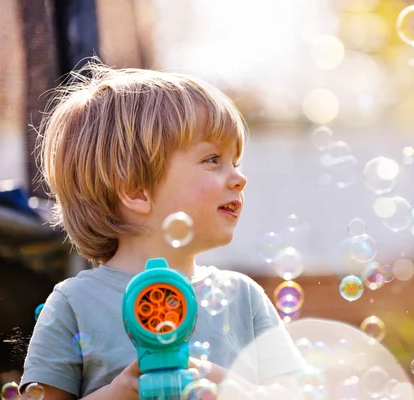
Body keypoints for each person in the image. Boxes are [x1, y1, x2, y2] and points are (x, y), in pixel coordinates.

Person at [19, 60, 306, 400]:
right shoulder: (73, 304)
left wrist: (233, 390)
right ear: (137, 190)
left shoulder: (244, 298)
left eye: (236, 161)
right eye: (213, 159)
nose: (239, 178)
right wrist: (117, 394)